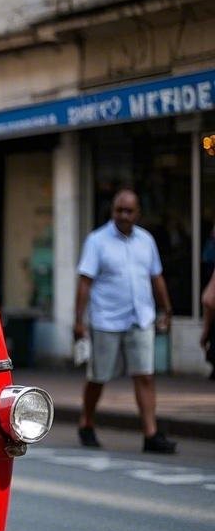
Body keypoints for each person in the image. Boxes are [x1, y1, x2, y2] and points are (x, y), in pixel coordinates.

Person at [73, 189, 176, 453]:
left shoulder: (146, 241)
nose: (124, 216)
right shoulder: (97, 241)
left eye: (129, 211)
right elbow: (85, 282)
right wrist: (79, 321)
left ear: (137, 213)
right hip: (106, 319)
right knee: (98, 376)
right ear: (112, 211)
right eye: (119, 210)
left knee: (145, 376)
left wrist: (166, 308)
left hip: (140, 318)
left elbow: (156, 277)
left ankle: (150, 434)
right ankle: (86, 423)